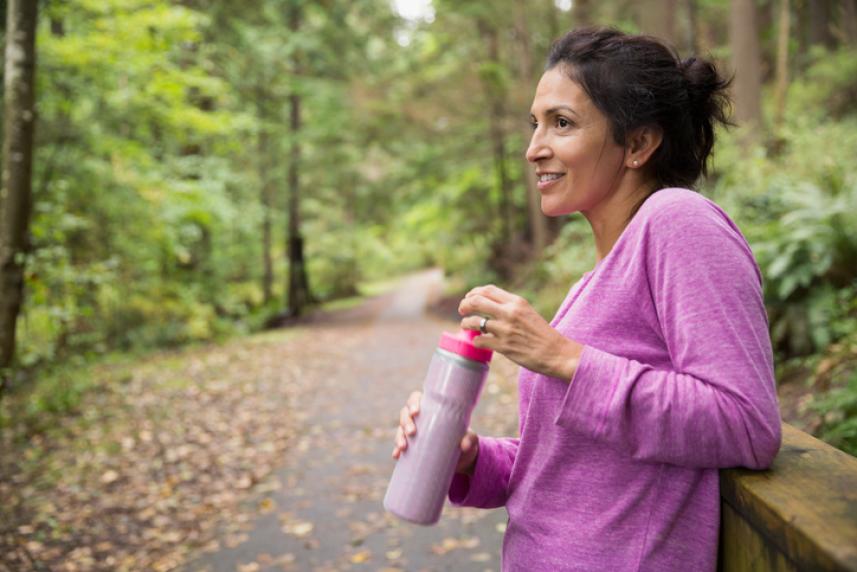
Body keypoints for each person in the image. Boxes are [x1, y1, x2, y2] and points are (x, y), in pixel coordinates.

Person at [391, 27, 782, 571]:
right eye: (535, 124)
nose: (533, 149)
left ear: (639, 144)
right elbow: (559, 469)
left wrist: (561, 357)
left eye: (562, 123)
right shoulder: (592, 282)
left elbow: (745, 425)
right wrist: (471, 457)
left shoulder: (678, 223)